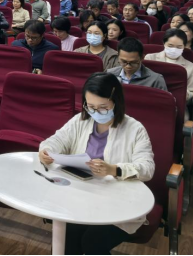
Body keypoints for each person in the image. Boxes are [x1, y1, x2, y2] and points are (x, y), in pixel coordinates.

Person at [39, 73, 154, 255]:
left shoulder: (135, 129)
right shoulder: (81, 121)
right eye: (91, 107)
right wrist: (46, 150)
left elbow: (147, 168)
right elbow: (57, 140)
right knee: (65, 237)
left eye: (103, 108)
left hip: (119, 202)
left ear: (116, 103)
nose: (96, 113)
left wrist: (113, 169)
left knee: (92, 243)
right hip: (82, 196)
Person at [144, 29, 193, 102]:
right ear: (164, 43)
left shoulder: (191, 67)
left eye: (179, 47)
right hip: (151, 99)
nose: (174, 50)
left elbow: (192, 91)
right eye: (170, 46)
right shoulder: (150, 58)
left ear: (184, 46)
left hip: (176, 103)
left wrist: (181, 95)